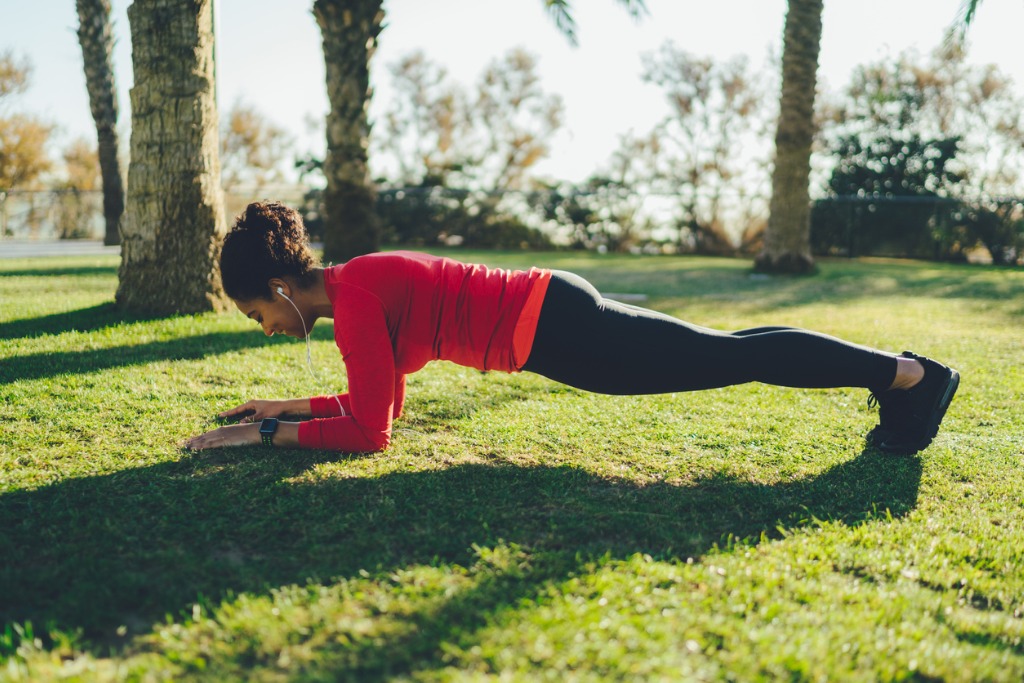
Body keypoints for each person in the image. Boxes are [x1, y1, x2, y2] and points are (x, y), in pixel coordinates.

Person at [185, 201, 959, 456]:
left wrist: (257, 438)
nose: (265, 329)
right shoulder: (355, 288)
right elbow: (376, 408)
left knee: (730, 357)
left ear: (281, 287)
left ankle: (910, 378)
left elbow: (372, 433)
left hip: (561, 332)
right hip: (556, 315)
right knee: (731, 352)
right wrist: (282, 410)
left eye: (259, 314)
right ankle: (905, 378)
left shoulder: (352, 304)